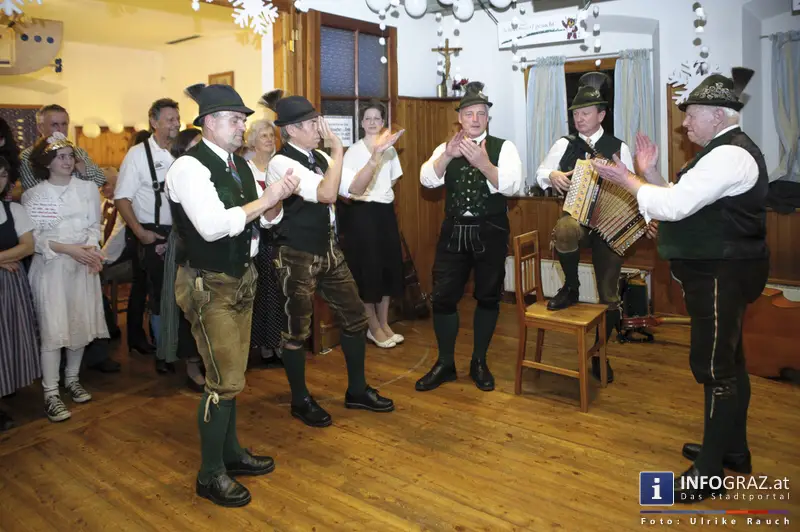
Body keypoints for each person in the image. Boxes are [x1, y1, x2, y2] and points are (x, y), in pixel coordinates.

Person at [592, 68, 768, 503]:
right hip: (721, 271)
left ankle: (709, 472)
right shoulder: (720, 153)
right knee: (731, 360)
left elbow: (674, 205)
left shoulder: (730, 155)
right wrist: (648, 172)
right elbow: (682, 202)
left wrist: (628, 180)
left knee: (716, 369)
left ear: (717, 114)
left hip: (721, 274)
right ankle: (732, 451)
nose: (684, 123)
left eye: (691, 115)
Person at [166, 83, 299, 507]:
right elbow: (211, 226)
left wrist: (274, 207)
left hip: (241, 277)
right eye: (233, 119)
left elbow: (254, 221)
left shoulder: (237, 166)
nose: (242, 125)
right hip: (208, 284)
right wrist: (269, 199)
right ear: (207, 123)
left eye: (243, 119)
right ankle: (210, 474)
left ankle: (232, 452)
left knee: (233, 377)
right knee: (222, 382)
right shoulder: (189, 167)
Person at [263, 89, 402, 428]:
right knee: (297, 331)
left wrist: (375, 157)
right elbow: (326, 194)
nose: (319, 128)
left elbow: (353, 190)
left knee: (355, 318)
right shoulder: (282, 162)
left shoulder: (322, 159)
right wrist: (339, 150)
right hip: (295, 253)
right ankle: (300, 400)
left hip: (327, 248)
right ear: (292, 130)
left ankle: (357, 390)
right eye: (312, 123)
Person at [416, 82, 522, 393]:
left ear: (488, 118)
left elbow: (513, 186)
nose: (475, 119)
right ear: (460, 119)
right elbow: (426, 179)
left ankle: (479, 361)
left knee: (488, 296)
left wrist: (484, 164)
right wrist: (447, 156)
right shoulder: (445, 147)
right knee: (444, 297)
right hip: (454, 231)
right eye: (469, 114)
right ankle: (445, 362)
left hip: (491, 230)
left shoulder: (505, 147)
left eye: (481, 114)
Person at [535, 72, 635, 383]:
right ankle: (572, 287)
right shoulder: (564, 143)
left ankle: (600, 355)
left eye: (585, 113)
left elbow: (633, 186)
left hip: (609, 225)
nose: (579, 119)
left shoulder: (618, 146)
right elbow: (540, 173)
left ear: (601, 115)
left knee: (609, 299)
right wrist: (552, 175)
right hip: (578, 219)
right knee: (564, 228)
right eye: (576, 114)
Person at [23, 133, 109, 422]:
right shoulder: (33, 195)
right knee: (53, 328)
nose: (67, 161)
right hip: (52, 269)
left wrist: (90, 251)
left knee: (79, 324)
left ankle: (72, 379)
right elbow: (35, 239)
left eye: (71, 156)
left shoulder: (87, 190)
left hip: (81, 266)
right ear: (47, 162)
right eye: (61, 156)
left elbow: (94, 227)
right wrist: (69, 249)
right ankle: (50, 393)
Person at [114, 99, 180, 368]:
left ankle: (176, 345)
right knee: (158, 295)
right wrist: (140, 233)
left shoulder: (180, 153)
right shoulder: (138, 155)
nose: (176, 123)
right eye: (170, 119)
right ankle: (164, 351)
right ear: (154, 122)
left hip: (179, 233)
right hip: (153, 234)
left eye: (178, 118)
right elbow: (121, 198)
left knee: (178, 293)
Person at [340, 100, 405, 349]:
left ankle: (384, 323)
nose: (372, 122)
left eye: (377, 118)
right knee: (368, 270)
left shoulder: (389, 149)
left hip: (385, 212)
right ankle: (372, 327)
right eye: (368, 118)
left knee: (388, 267)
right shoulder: (354, 151)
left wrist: (381, 198)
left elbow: (394, 179)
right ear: (361, 123)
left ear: (382, 122)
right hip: (362, 214)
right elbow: (348, 188)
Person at [159, 127, 206, 392]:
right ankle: (190, 365)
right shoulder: (179, 172)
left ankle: (205, 360)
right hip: (186, 246)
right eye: (195, 145)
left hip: (204, 244)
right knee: (186, 307)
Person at [0, 156, 40, 431]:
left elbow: (27, 247)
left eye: (3, 174)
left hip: (10, 287)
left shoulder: (13, 209)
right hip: (8, 276)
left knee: (8, 341)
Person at [244, 118, 284, 367]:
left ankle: (278, 341)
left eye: (272, 135)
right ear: (253, 142)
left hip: (282, 235)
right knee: (263, 293)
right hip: (259, 237)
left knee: (281, 292)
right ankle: (265, 344)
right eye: (264, 136)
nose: (270, 139)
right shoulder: (246, 169)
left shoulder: (281, 166)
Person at [18, 104, 106, 194]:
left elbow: (100, 182)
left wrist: (85, 171)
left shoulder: (79, 152)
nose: (60, 129)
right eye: (54, 125)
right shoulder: (27, 157)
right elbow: (36, 192)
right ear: (41, 128)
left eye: (64, 124)